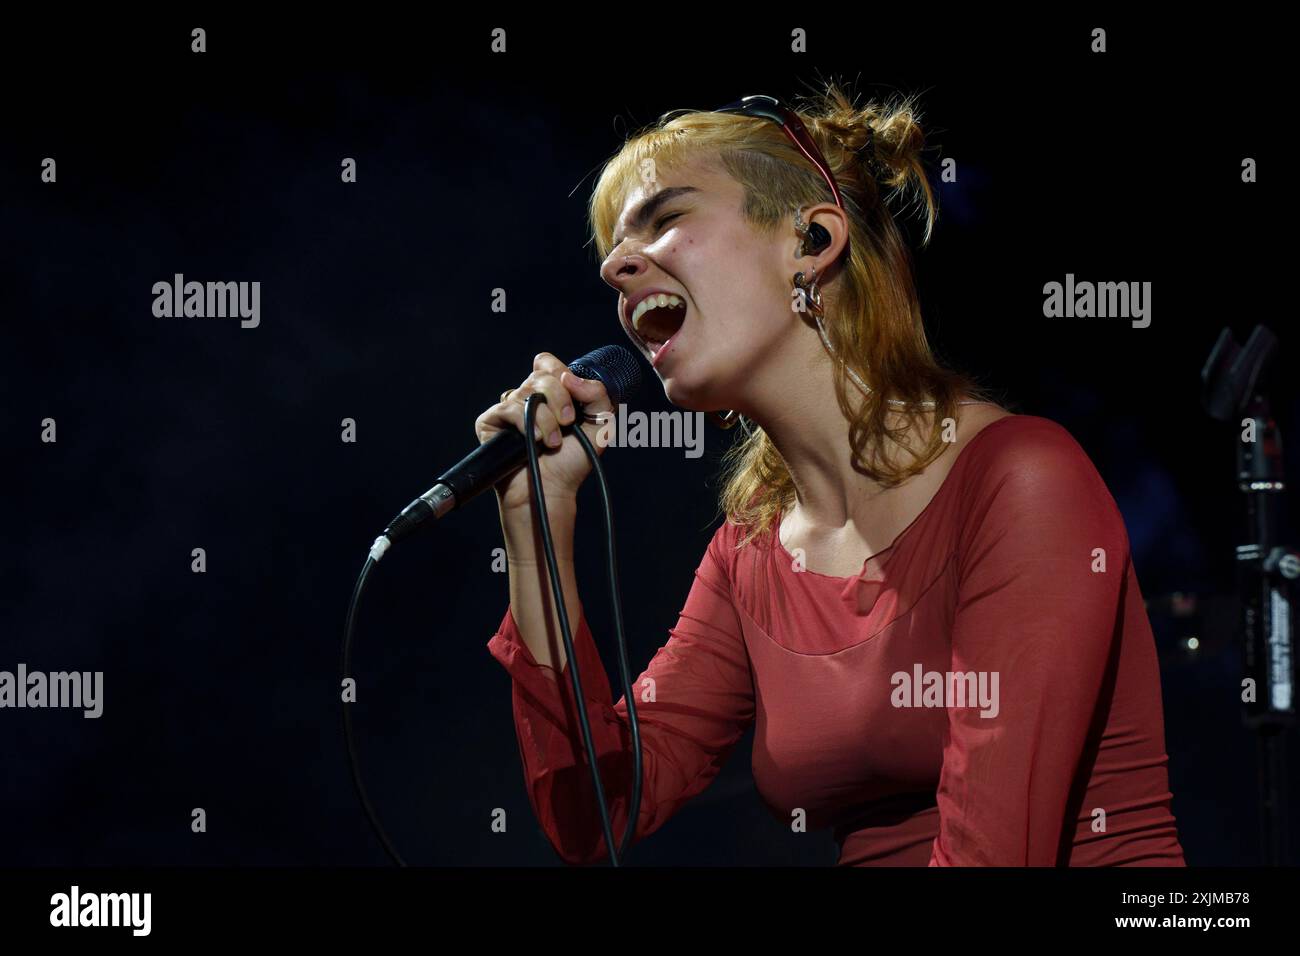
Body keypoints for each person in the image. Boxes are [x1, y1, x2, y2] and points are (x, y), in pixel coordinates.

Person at [476, 82, 1186, 866]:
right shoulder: (749, 555)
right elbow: (596, 813)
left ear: (811, 240)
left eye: (666, 217)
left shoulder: (1022, 481)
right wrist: (536, 521)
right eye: (613, 244)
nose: (614, 265)